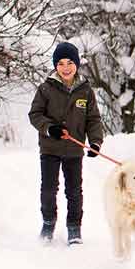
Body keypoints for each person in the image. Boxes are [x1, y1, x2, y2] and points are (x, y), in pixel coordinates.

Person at [28, 41, 105, 245]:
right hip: (50, 148)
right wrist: (49, 128)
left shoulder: (85, 91)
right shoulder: (45, 88)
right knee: (49, 189)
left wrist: (95, 142)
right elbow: (35, 114)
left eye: (70, 62)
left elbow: (93, 119)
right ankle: (48, 222)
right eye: (60, 63)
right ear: (55, 66)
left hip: (74, 149)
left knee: (74, 190)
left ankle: (74, 227)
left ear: (77, 64)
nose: (65, 67)